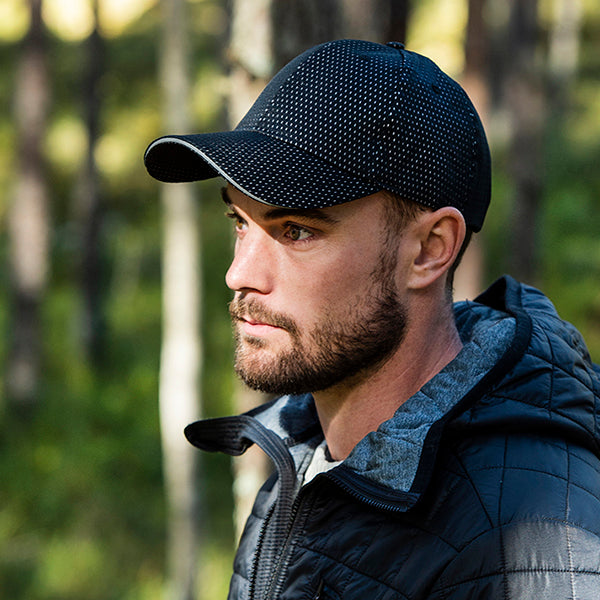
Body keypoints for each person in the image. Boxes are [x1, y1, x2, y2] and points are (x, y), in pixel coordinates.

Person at [144, 39, 600, 599]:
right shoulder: (302, 455)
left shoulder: (532, 541)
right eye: (240, 222)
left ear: (430, 249)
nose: (239, 274)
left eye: (297, 231)